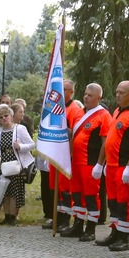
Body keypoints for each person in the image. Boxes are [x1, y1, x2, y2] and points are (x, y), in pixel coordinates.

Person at [97, 80, 129, 251]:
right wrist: (102, 164)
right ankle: (115, 232)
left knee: (124, 202)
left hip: (123, 165)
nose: (118, 95)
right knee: (113, 201)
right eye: (117, 92)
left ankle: (124, 238)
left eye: (122, 92)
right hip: (112, 165)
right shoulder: (116, 111)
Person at [63, 82, 109, 240]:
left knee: (91, 196)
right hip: (76, 162)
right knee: (76, 194)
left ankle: (91, 228)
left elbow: (105, 143)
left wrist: (100, 164)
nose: (86, 97)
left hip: (90, 162)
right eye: (85, 94)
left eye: (90, 95)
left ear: (99, 97)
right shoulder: (81, 113)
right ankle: (78, 224)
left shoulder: (103, 115)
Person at [0, 103, 34, 225]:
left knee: (14, 191)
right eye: (1, 117)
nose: (4, 119)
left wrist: (20, 147)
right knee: (4, 190)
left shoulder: (20, 128)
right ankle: (7, 216)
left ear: (11, 115)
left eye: (6, 115)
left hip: (15, 165)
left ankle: (13, 217)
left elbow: (32, 144)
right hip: (1, 164)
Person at [50, 80, 85, 231]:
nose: (61, 92)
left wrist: (64, 128)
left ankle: (65, 220)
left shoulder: (75, 110)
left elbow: (75, 132)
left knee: (65, 189)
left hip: (66, 155)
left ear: (71, 92)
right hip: (55, 153)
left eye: (64, 89)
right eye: (59, 89)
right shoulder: (55, 106)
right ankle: (56, 217)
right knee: (56, 188)